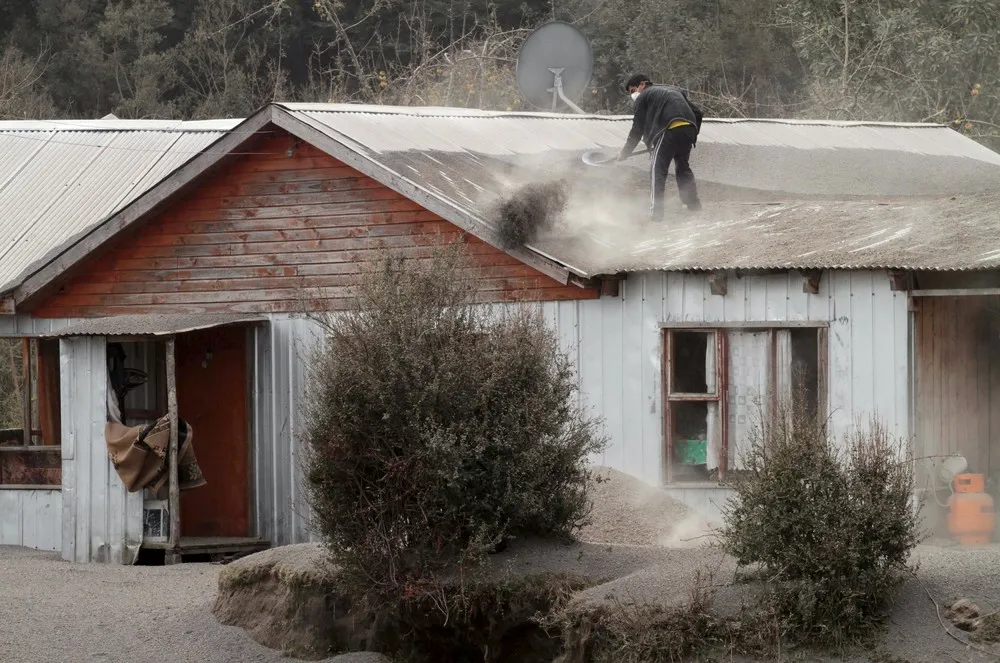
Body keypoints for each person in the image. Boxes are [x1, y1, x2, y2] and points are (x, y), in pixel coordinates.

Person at [617, 74, 703, 221]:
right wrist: (692, 132)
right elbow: (697, 113)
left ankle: (655, 214)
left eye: (633, 90)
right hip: (689, 129)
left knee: (657, 171)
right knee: (683, 168)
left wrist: (625, 152)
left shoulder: (643, 97)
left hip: (668, 129)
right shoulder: (673, 90)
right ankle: (693, 206)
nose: (633, 95)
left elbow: (637, 130)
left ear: (642, 84)